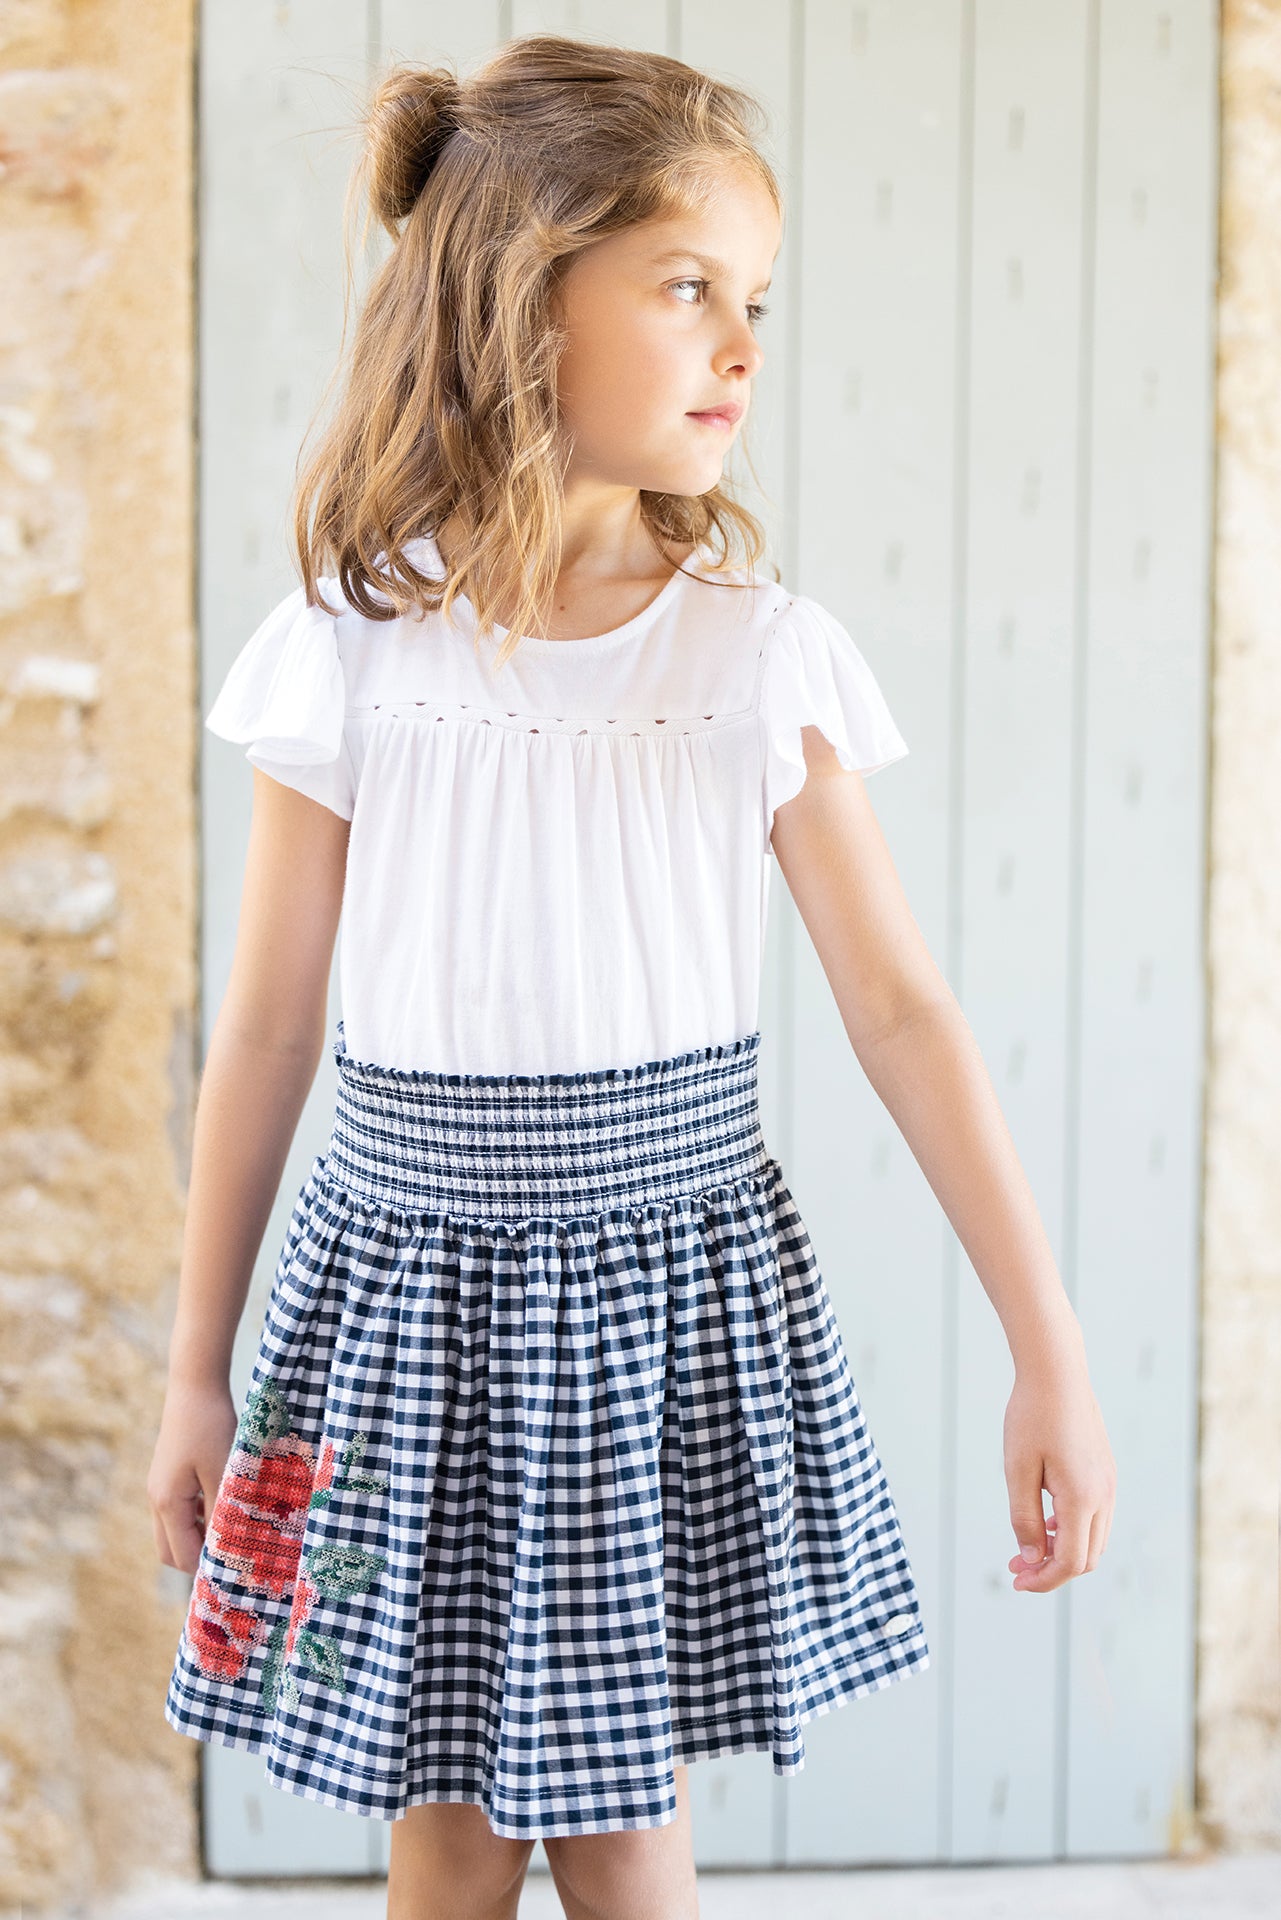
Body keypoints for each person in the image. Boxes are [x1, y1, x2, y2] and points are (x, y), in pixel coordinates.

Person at [148, 31, 1116, 1920]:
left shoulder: (754, 655)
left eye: (756, 300)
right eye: (687, 288)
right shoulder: (347, 649)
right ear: (523, 298)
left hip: (651, 1316)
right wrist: (199, 1371)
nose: (742, 346)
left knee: (619, 1836)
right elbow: (264, 1027)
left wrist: (1046, 1344)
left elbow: (902, 1011)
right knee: (441, 1835)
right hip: (399, 1315)